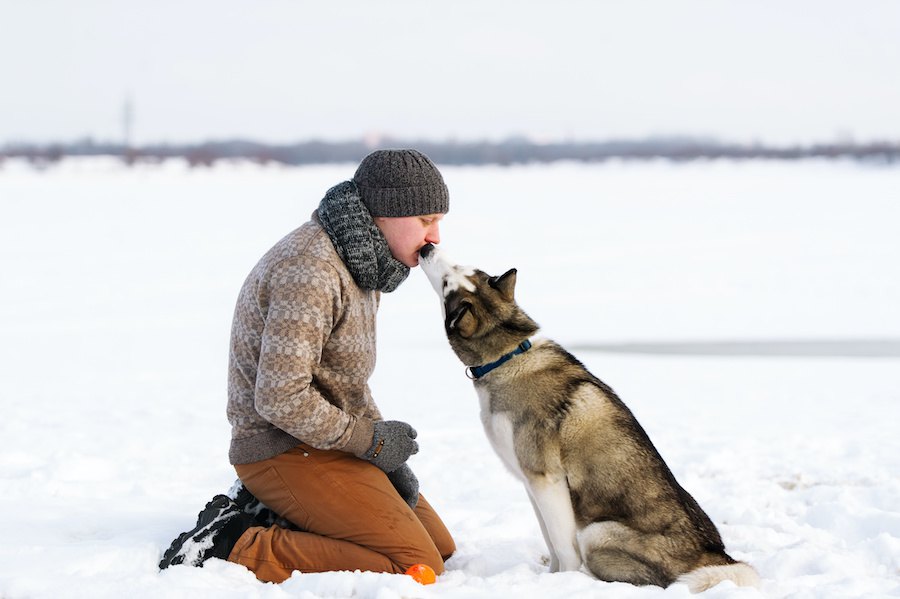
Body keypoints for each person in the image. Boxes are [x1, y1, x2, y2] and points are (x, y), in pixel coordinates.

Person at [158, 149, 456, 583]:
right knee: (415, 566)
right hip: (279, 448)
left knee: (441, 548)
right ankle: (231, 542)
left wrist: (387, 462)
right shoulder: (311, 270)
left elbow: (344, 383)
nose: (436, 236)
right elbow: (279, 398)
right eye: (426, 220)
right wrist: (370, 442)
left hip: (324, 443)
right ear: (384, 215)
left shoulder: (362, 262)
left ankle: (282, 514)